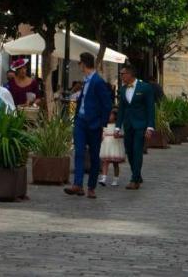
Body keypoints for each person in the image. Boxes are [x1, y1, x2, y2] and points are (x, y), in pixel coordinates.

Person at [64, 52, 112, 199]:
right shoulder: (85, 80)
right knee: (78, 152)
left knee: (94, 156)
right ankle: (78, 184)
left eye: (79, 63)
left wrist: (102, 124)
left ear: (83, 64)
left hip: (94, 124)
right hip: (80, 121)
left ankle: (91, 187)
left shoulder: (98, 81)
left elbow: (107, 105)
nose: (79, 66)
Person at [116, 62, 156, 190]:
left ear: (130, 74)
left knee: (137, 150)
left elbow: (150, 108)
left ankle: (134, 179)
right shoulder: (122, 89)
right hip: (128, 125)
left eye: (123, 74)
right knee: (129, 151)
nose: (121, 76)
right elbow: (121, 109)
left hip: (140, 125)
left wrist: (150, 127)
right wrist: (117, 127)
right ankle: (137, 174)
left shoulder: (145, 88)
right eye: (120, 74)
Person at [98, 106, 125, 187]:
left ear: (115, 116)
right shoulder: (105, 125)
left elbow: (122, 134)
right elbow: (103, 133)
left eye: (110, 115)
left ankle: (115, 179)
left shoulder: (118, 125)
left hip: (115, 146)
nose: (108, 116)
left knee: (115, 163)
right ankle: (103, 178)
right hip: (106, 145)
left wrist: (118, 135)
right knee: (105, 162)